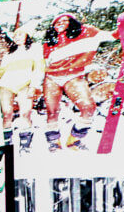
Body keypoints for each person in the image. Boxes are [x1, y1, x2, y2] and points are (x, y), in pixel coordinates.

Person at [42, 12, 115, 152]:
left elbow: (112, 36)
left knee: (88, 107)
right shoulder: (49, 42)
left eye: (64, 20)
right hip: (51, 77)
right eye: (56, 22)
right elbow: (43, 64)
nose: (60, 24)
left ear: (72, 22)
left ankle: (75, 139)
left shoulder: (88, 32)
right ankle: (53, 142)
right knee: (52, 111)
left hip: (74, 76)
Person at [0, 26, 44, 153]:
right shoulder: (9, 53)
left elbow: (39, 68)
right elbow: (1, 72)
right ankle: (7, 144)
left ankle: (25, 145)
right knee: (7, 114)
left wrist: (34, 86)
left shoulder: (35, 49)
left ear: (27, 36)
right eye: (15, 35)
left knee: (25, 113)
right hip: (6, 85)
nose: (17, 38)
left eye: (21, 35)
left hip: (25, 84)